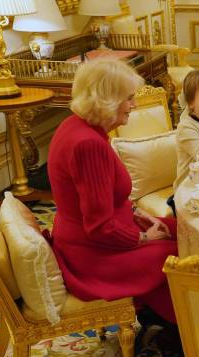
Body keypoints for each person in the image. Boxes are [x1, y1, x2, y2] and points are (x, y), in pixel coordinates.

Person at [48, 59, 179, 330]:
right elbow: (99, 228)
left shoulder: (76, 126)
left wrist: (138, 213)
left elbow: (109, 197)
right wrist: (144, 237)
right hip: (93, 254)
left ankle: (159, 311)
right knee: (178, 255)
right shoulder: (88, 144)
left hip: (96, 235)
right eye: (128, 98)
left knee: (179, 228)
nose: (134, 105)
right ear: (107, 100)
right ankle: (178, 324)